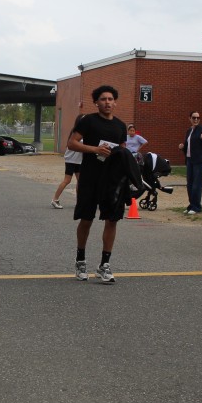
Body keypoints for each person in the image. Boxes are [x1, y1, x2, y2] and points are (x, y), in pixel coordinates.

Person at [68, 85, 128, 284]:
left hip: (112, 180)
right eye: (103, 99)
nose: (107, 102)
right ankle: (80, 261)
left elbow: (122, 150)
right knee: (86, 219)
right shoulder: (88, 121)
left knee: (112, 220)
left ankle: (104, 265)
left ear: (115, 102)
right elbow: (72, 143)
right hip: (90, 177)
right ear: (96, 102)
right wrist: (95, 149)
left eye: (110, 99)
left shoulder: (120, 126)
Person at [179, 110, 202, 214]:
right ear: (190, 118)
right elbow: (187, 145)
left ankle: (197, 207)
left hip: (199, 160)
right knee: (189, 183)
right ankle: (191, 205)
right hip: (190, 159)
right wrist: (182, 147)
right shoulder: (189, 130)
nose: (196, 119)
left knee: (196, 184)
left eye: (198, 118)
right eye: (194, 118)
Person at [52, 117, 84, 209]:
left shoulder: (83, 132)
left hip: (78, 161)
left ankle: (79, 202)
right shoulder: (76, 132)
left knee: (80, 181)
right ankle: (55, 199)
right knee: (67, 180)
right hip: (71, 160)